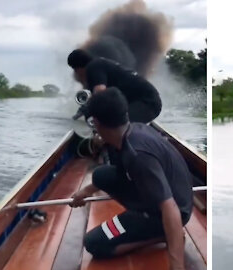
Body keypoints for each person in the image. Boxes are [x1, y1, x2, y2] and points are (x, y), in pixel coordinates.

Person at [70, 88, 192, 270]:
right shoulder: (135, 129)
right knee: (101, 175)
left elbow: (170, 208)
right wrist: (84, 192)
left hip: (166, 213)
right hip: (168, 195)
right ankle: (150, 224)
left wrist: (177, 266)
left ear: (96, 122)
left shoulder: (137, 157)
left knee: (94, 243)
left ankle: (162, 234)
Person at [67, 49, 162, 123]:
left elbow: (100, 93)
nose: (76, 73)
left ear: (78, 67)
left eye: (74, 69)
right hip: (146, 102)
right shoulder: (100, 65)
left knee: (115, 122)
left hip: (148, 103)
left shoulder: (94, 66)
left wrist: (88, 108)